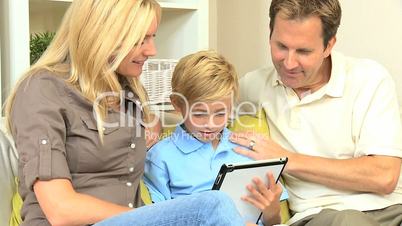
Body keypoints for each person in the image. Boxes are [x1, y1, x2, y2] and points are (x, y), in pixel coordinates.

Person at [4, 1, 247, 225]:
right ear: (102, 35)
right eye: (140, 40)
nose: (152, 50)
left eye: (153, 37)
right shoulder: (42, 89)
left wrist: (151, 124)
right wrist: (151, 218)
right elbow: (60, 209)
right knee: (214, 204)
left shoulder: (128, 91)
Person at [229, 0, 402, 225]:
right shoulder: (252, 86)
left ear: (329, 45)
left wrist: (286, 158)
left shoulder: (369, 79)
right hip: (321, 217)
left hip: (391, 211)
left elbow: (384, 176)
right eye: (281, 46)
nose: (289, 63)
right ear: (269, 35)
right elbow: (198, 118)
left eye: (303, 51)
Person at [143, 50, 286, 226]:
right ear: (177, 104)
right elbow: (158, 220)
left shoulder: (246, 149)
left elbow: (273, 221)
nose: (210, 124)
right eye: (200, 113)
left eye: (220, 113)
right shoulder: (161, 156)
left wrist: (272, 211)